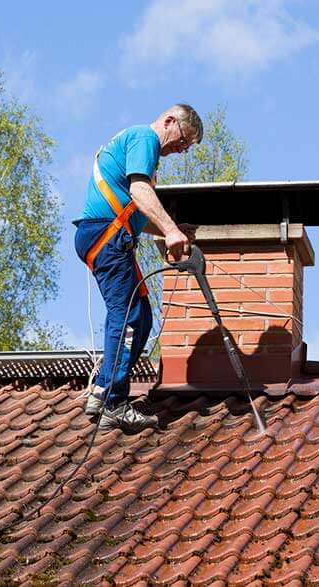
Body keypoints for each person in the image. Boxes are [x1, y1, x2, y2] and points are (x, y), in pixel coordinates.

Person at [73, 104, 202, 432]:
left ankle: (107, 393)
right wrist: (171, 231)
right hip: (107, 236)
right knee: (127, 316)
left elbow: (138, 213)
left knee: (142, 317)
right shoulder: (145, 138)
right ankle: (110, 397)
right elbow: (140, 192)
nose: (181, 149)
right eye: (183, 140)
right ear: (170, 121)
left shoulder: (138, 147)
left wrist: (168, 228)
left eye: (186, 147)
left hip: (108, 235)